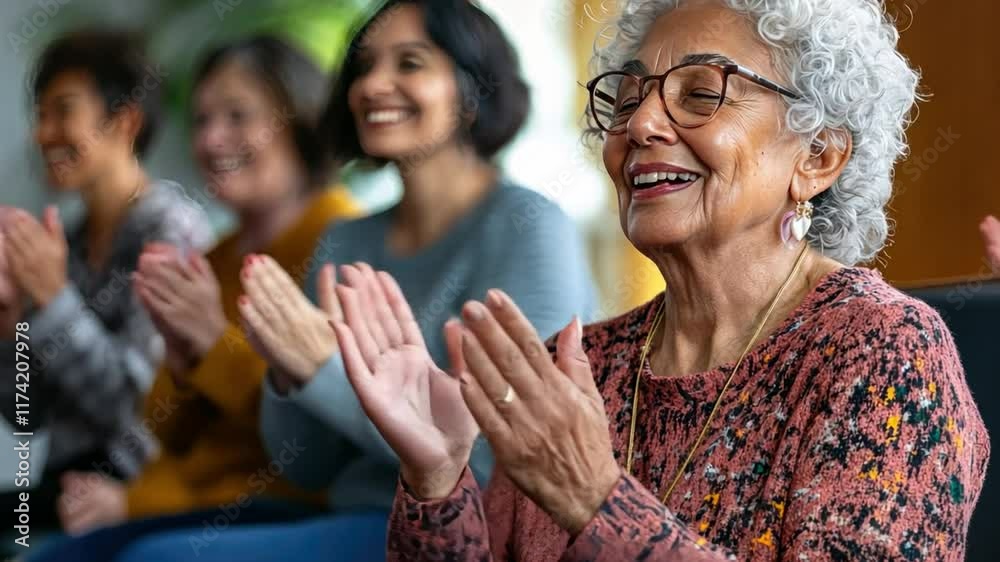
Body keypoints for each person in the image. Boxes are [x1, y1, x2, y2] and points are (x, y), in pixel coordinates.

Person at [331, 0, 990, 560]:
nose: (641, 124)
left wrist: (595, 500)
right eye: (628, 97)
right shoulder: (582, 364)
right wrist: (438, 478)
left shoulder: (882, 351)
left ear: (818, 156)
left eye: (701, 93)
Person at [111, 1, 595, 560]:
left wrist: (323, 366)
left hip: (471, 528)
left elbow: (504, 457)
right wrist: (292, 375)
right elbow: (307, 462)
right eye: (363, 68)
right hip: (353, 515)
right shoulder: (346, 241)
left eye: (410, 63)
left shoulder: (530, 226)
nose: (373, 85)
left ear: (472, 89)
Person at [27, 36, 361, 561]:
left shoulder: (345, 240)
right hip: (177, 502)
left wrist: (211, 344)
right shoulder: (217, 254)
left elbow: (323, 437)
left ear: (299, 118)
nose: (211, 139)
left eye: (236, 115)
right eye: (202, 121)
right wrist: (184, 368)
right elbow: (164, 429)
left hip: (278, 508)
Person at [0, 28, 213, 542]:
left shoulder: (172, 232)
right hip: (62, 486)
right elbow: (24, 416)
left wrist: (52, 301)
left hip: (142, 494)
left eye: (62, 111)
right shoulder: (67, 242)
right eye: (40, 114)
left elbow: (134, 413)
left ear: (124, 121)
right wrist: (11, 330)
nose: (42, 133)